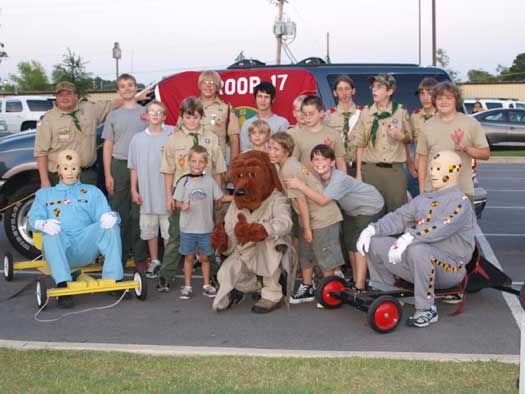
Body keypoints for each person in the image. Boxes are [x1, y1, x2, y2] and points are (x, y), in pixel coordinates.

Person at [357, 150, 475, 327]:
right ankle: (388, 293)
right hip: (417, 259)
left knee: (418, 249)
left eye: (438, 168)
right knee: (374, 243)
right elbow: (399, 217)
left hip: (450, 267)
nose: (432, 172)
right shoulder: (424, 198)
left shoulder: (461, 202)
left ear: (454, 170)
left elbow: (441, 227)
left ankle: (427, 309)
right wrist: (372, 229)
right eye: (432, 168)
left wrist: (407, 238)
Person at [28, 149, 123, 309]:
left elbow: (104, 215)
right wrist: (41, 224)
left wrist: (112, 217)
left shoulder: (92, 192)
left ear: (79, 169)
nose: (70, 173)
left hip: (86, 245)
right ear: (58, 169)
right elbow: (33, 219)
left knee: (110, 227)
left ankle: (114, 279)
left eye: (73, 168)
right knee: (51, 234)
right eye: (65, 168)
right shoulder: (44, 195)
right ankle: (63, 284)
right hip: (60, 247)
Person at [285, 144, 385, 291]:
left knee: (359, 244)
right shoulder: (319, 175)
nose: (319, 163)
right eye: (316, 159)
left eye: (324, 159)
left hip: (369, 206)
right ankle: (356, 280)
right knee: (350, 244)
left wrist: (300, 186)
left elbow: (322, 200)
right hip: (351, 210)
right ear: (311, 163)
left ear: (332, 163)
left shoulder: (338, 178)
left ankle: (360, 286)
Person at [158, 97, 227, 292]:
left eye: (196, 117)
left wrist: (218, 197)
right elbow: (168, 170)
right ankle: (166, 275)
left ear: (202, 117)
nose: (192, 121)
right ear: (182, 117)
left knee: (209, 237)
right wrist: (169, 197)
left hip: (206, 195)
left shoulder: (211, 138)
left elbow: (218, 169)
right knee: (175, 237)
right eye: (188, 117)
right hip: (183, 195)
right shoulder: (174, 138)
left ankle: (214, 275)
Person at [269, 132, 344, 305]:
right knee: (306, 253)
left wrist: (307, 229)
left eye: (276, 149)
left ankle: (330, 293)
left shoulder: (289, 168)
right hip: (309, 218)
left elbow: (301, 201)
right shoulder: (285, 165)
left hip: (323, 218)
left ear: (287, 151)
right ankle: (307, 287)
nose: (271, 152)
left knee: (325, 257)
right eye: (270, 147)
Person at [34, 81, 150, 189]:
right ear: (56, 97)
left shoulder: (89, 108)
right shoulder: (48, 119)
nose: (64, 98)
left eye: (68, 94)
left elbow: (112, 105)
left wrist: (136, 98)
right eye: (60, 95)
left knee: (87, 209)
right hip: (60, 177)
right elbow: (41, 153)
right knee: (65, 210)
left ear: (76, 96)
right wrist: (44, 181)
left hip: (87, 175)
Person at [102, 73, 149, 268]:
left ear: (136, 87)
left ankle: (139, 257)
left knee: (139, 213)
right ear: (118, 91)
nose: (127, 88)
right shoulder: (113, 115)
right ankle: (119, 255)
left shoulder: (146, 113)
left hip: (142, 166)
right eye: (123, 86)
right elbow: (108, 145)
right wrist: (108, 175)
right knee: (119, 212)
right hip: (120, 165)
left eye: (130, 85)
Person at [417, 81, 490, 203]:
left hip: (462, 192)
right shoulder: (427, 126)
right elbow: (422, 160)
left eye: (449, 98)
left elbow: (486, 154)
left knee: (462, 222)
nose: (443, 102)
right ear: (434, 101)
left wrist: (465, 148)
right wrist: (422, 192)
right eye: (439, 98)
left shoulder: (471, 123)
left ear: (456, 100)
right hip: (433, 193)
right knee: (434, 223)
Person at [353, 74, 413, 213]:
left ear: (390, 91)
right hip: (371, 172)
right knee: (373, 213)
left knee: (397, 213)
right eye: (373, 86)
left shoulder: (401, 112)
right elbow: (360, 145)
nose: (374, 90)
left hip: (394, 172)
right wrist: (359, 174)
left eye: (379, 87)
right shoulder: (366, 113)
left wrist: (401, 136)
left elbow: (410, 139)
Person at [128, 100, 171, 278]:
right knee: (150, 231)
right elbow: (134, 167)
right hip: (147, 195)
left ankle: (169, 264)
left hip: (166, 193)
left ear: (164, 117)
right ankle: (155, 261)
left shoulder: (172, 134)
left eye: (158, 112)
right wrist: (133, 189)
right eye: (151, 111)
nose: (154, 114)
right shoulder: (137, 139)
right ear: (146, 115)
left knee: (168, 231)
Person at [174, 145, 224, 300]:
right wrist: (182, 206)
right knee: (188, 257)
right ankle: (187, 286)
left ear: (206, 163)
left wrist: (237, 197)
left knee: (205, 258)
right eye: (194, 161)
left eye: (201, 162)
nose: (197, 165)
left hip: (205, 228)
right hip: (187, 228)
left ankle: (206, 284)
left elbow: (220, 198)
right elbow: (176, 202)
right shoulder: (183, 181)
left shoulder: (210, 181)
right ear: (188, 162)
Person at [290, 95, 347, 174]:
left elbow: (340, 163)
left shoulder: (333, 134)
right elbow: (293, 164)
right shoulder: (295, 135)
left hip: (330, 184)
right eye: (305, 114)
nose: (307, 117)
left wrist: (342, 183)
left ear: (321, 113)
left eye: (311, 114)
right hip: (306, 183)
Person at [197, 70, 241, 161]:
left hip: (217, 164)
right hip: (192, 164)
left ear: (217, 87)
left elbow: (234, 140)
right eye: (205, 82)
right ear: (200, 85)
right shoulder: (190, 106)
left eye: (212, 83)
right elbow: (179, 134)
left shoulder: (227, 109)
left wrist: (233, 167)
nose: (208, 85)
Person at [406, 77, 438, 197]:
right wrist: (410, 165)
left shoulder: (443, 116)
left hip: (438, 170)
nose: (425, 97)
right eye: (422, 93)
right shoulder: (416, 116)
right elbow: (408, 141)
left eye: (430, 93)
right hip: (419, 170)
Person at [325, 75, 362, 176]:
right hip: (338, 167)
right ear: (335, 93)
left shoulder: (363, 113)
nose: (344, 93)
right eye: (340, 89)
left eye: (347, 89)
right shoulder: (328, 115)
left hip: (360, 167)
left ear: (353, 91)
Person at [240, 82, 289, 152]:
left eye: (266, 97)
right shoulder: (247, 124)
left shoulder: (282, 123)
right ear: (255, 99)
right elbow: (244, 150)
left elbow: (285, 150)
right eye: (260, 96)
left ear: (273, 99)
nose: (263, 100)